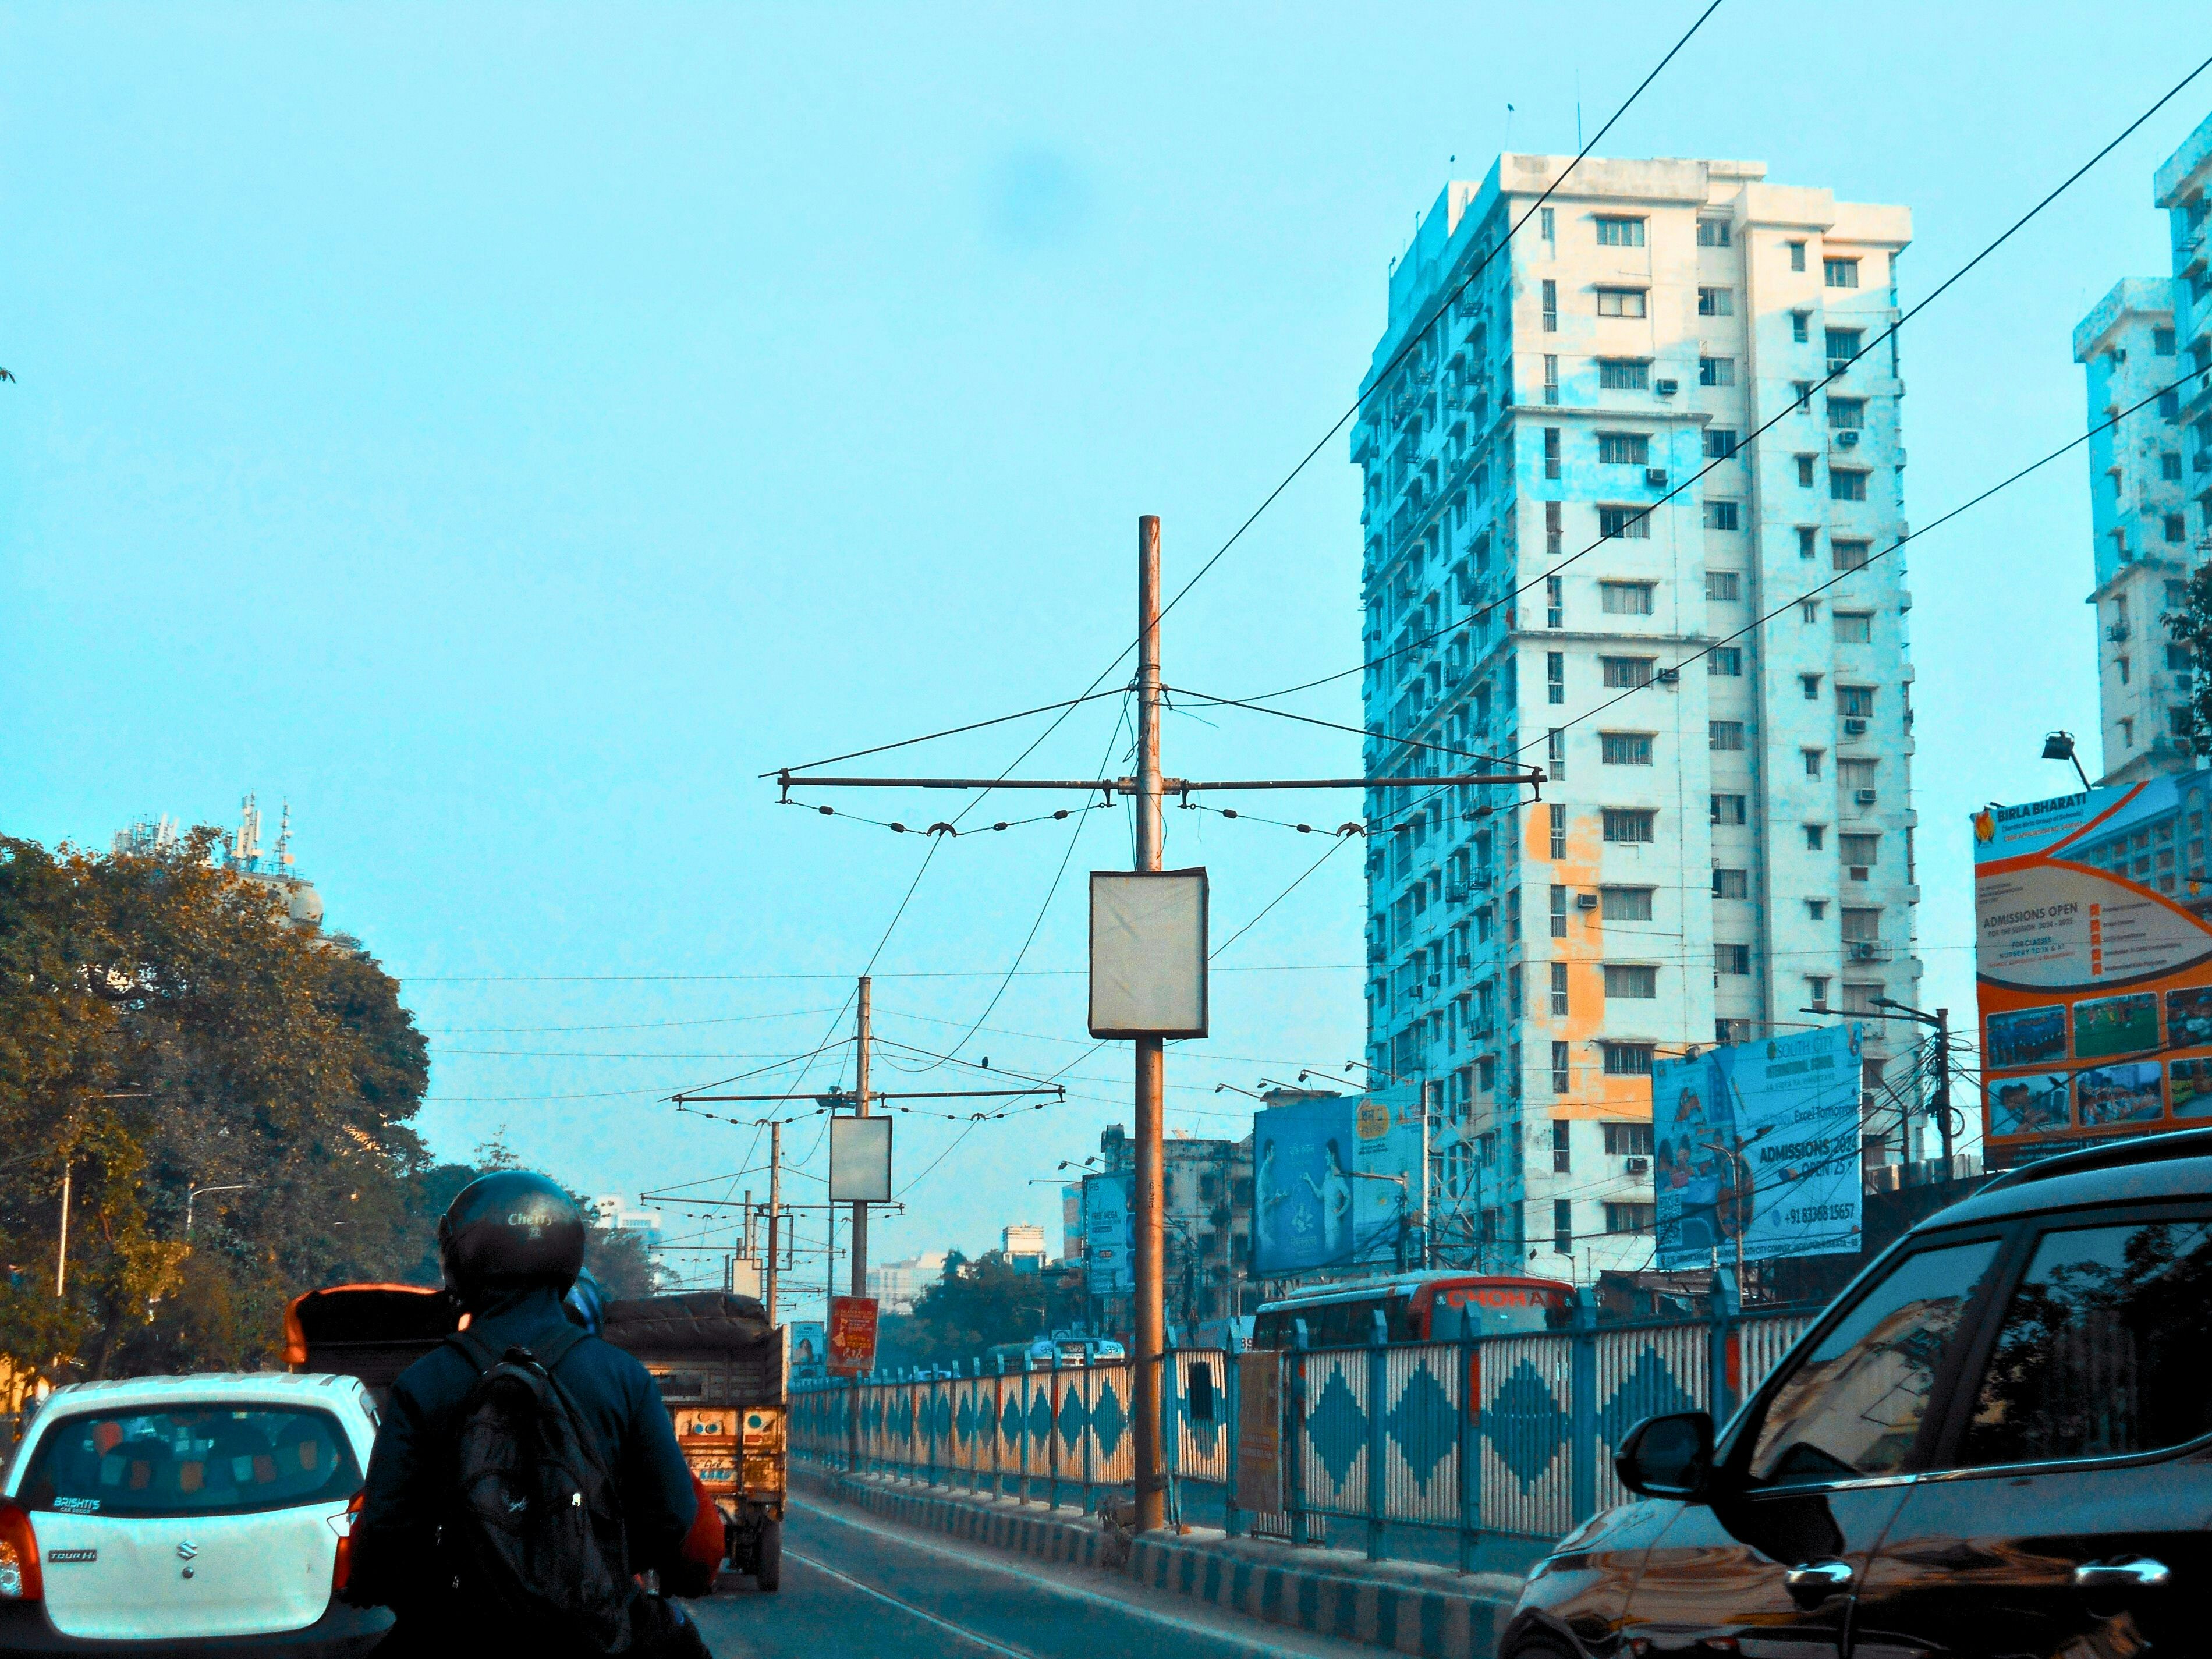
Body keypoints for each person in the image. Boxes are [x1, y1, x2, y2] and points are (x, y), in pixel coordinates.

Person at [345, 1171, 711, 1657]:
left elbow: (386, 1535)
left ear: (461, 1259)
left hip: (461, 1634)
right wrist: (606, 1564)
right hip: (597, 1636)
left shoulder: (424, 1383)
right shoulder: (624, 1378)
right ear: (569, 1256)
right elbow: (673, 1518)